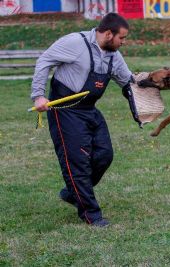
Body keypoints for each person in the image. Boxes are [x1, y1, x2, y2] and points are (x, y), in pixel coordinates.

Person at [31, 13, 137, 227]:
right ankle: (92, 215)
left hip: (89, 110)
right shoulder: (74, 43)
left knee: (104, 155)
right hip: (65, 111)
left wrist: (154, 85)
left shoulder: (113, 55)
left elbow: (129, 82)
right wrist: (39, 95)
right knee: (77, 162)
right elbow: (44, 60)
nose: (123, 42)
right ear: (108, 34)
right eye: (122, 38)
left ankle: (74, 193)